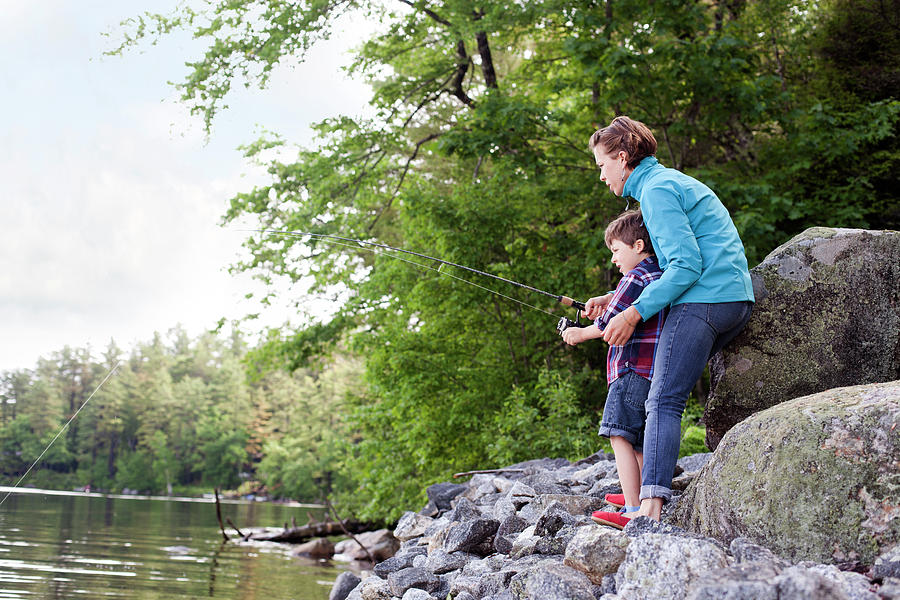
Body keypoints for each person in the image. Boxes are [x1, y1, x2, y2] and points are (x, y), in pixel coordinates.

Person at [585, 115, 755, 524]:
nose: (602, 176)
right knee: (663, 394)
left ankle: (650, 509)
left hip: (707, 298)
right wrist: (614, 297)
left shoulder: (658, 191)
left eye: (602, 166)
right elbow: (665, 265)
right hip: (732, 297)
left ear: (623, 158)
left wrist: (632, 312)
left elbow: (686, 266)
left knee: (662, 399)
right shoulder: (664, 183)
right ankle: (645, 491)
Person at [562, 210, 665, 528]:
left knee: (619, 435)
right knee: (635, 440)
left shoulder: (634, 278)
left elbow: (609, 324)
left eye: (616, 251)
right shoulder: (659, 274)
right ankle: (638, 493)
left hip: (630, 370)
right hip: (649, 371)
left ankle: (634, 510)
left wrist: (579, 333)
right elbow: (617, 309)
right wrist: (607, 301)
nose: (613, 260)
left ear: (637, 245)